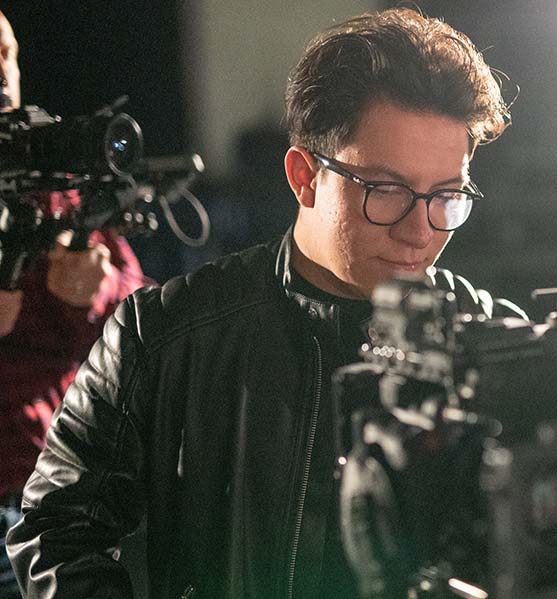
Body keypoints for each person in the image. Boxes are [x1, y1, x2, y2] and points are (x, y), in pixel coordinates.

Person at [6, 8, 522, 598]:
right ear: (304, 176)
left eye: (447, 196)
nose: (421, 231)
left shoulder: (497, 341)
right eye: (387, 192)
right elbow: (55, 530)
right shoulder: (165, 335)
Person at [0, 10, 146, 599]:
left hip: (47, 493)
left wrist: (93, 291)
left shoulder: (49, 173)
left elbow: (141, 310)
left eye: (5, 54)